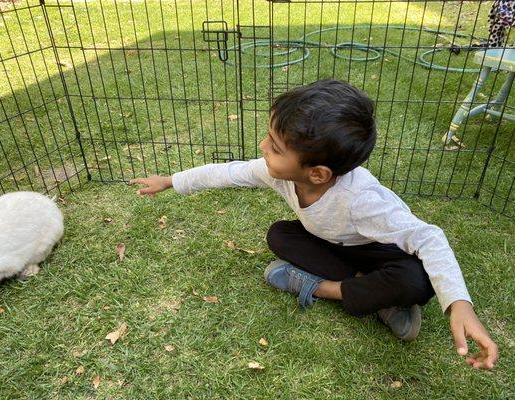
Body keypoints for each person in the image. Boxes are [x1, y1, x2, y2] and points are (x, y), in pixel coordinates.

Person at [130, 79, 498, 370]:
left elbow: (428, 237)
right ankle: (374, 298)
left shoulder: (362, 200)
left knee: (416, 281)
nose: (262, 147)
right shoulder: (279, 174)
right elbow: (228, 172)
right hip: (333, 243)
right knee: (280, 235)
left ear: (318, 173)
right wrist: (171, 181)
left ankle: (321, 288)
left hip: (379, 253)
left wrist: (459, 304)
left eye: (275, 146)